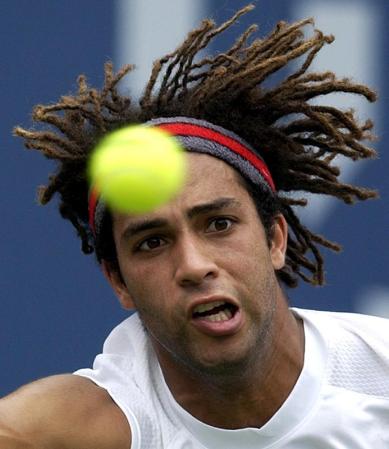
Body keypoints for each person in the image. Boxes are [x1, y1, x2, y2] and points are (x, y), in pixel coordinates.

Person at [2, 4, 388, 449]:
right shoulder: (100, 425)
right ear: (118, 281)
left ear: (275, 238)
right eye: (152, 242)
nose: (193, 264)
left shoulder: (379, 375)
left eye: (219, 223)